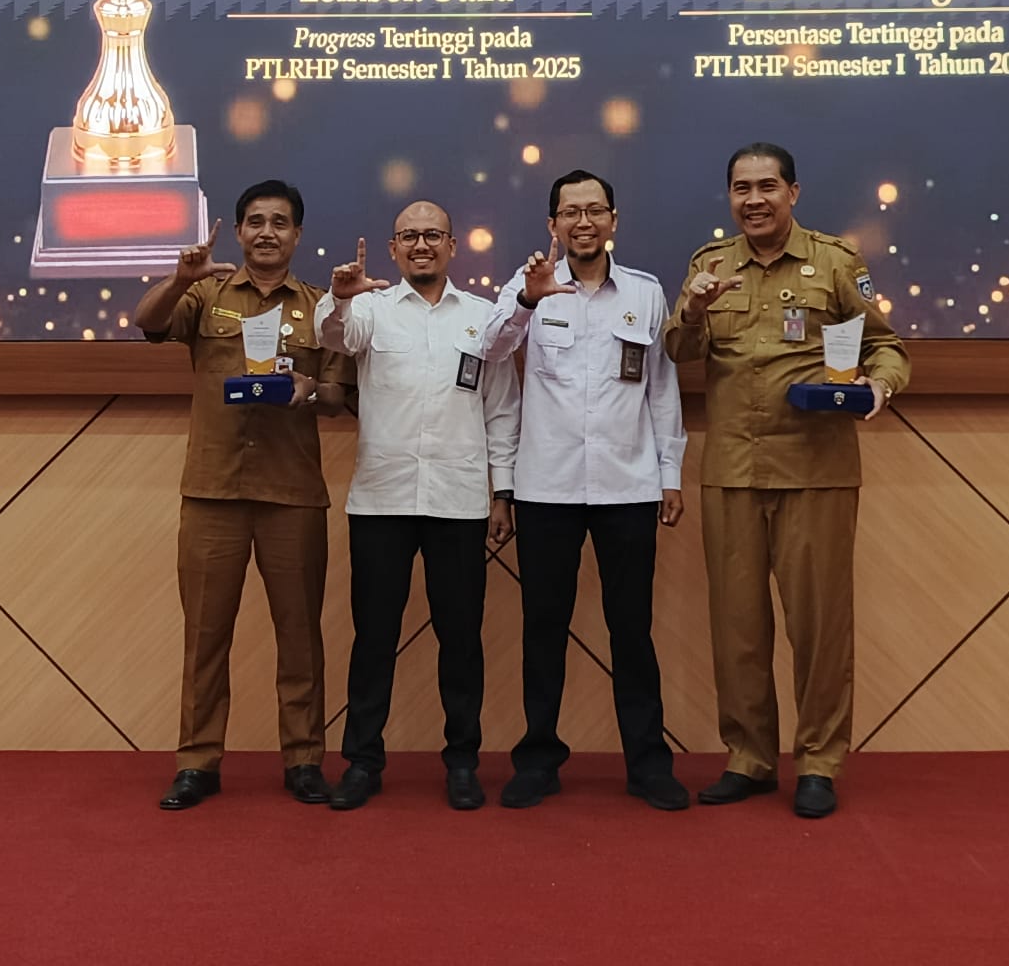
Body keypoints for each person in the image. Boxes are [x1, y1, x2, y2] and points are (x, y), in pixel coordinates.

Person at [665, 143, 910, 819]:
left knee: (819, 627)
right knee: (737, 629)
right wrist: (692, 309)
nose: (754, 200)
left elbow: (885, 345)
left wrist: (878, 387)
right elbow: (677, 352)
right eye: (741, 188)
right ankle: (748, 758)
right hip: (732, 473)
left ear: (793, 193)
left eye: (767, 186)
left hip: (816, 471)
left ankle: (820, 762)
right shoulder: (709, 266)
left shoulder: (835, 262)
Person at [135, 179, 353, 811]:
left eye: (280, 222)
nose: (266, 233)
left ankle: (304, 760)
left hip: (292, 494)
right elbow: (147, 323)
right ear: (238, 231)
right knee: (205, 636)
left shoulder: (320, 308)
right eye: (255, 221)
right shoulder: (205, 294)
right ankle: (197, 763)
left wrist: (308, 390)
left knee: (300, 636)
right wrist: (179, 279)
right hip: (213, 491)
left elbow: (337, 398)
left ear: (297, 234)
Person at [483, 169, 689, 811]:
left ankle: (648, 765)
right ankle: (538, 761)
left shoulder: (646, 293)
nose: (583, 222)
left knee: (632, 631)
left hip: (629, 485)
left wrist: (670, 474)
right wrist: (527, 300)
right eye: (570, 212)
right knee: (543, 628)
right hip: (547, 488)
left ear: (613, 221)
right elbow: (490, 351)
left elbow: (661, 389)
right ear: (552, 224)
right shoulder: (528, 286)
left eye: (595, 210)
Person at [315, 202, 520, 812]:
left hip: (459, 499)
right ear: (393, 248)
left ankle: (462, 762)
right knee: (373, 637)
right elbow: (335, 336)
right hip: (382, 499)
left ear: (452, 246)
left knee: (462, 639)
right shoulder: (370, 310)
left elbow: (501, 410)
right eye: (409, 236)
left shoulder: (483, 318)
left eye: (433, 235)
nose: (421, 244)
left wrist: (503, 492)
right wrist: (340, 298)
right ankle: (362, 762)